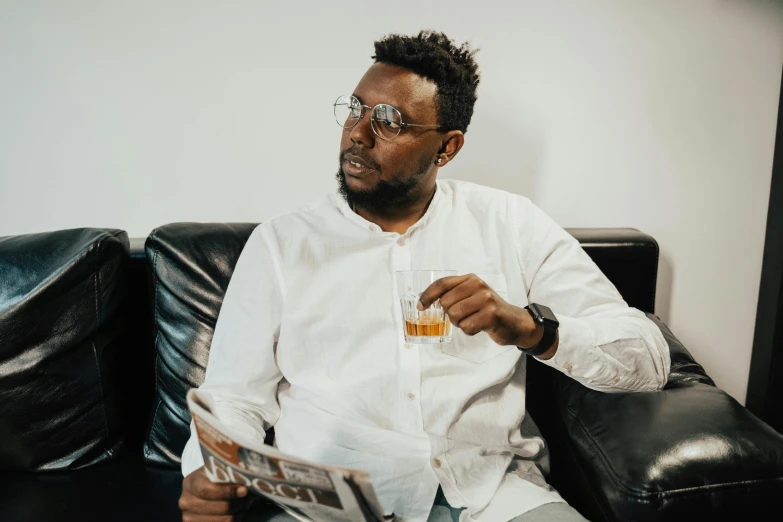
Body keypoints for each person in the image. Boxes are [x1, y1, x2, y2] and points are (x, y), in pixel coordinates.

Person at [177, 30, 670, 522]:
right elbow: (233, 397)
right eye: (356, 108)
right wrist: (208, 470)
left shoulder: (511, 225)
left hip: (492, 499)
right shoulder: (282, 244)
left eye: (390, 122)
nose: (358, 134)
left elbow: (646, 360)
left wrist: (530, 328)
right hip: (333, 510)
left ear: (447, 148)